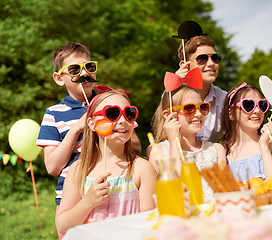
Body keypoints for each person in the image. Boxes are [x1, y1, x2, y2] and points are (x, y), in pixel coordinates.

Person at [56, 89, 156, 236]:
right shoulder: (79, 169)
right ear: (91, 123)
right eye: (112, 113)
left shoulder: (142, 169)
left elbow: (149, 224)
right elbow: (63, 226)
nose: (122, 120)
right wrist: (88, 202)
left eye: (128, 114)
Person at [149, 85, 226, 203]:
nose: (199, 114)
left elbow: (224, 192)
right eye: (189, 109)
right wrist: (174, 142)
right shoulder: (157, 151)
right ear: (168, 114)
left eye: (203, 107)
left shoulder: (216, 149)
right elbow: (175, 189)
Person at [220, 82, 272, 183]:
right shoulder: (223, 154)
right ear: (231, 114)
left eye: (261, 105)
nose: (257, 110)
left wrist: (264, 147)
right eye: (248, 105)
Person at [175, 34, 227, 143]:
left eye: (215, 58)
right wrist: (175, 85)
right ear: (185, 65)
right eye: (202, 59)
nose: (211, 63)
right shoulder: (172, 95)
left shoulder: (225, 99)